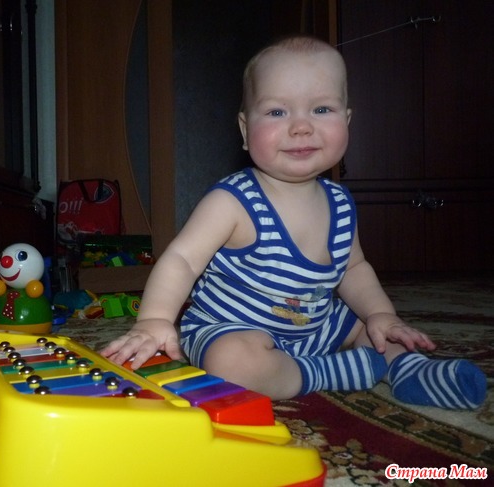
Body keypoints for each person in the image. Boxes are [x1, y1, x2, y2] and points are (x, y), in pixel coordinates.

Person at [101, 35, 486, 409]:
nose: (301, 126)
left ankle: (410, 370)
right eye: (277, 112)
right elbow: (182, 260)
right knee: (231, 364)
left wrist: (381, 315)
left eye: (321, 110)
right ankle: (325, 373)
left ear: (347, 120)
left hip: (317, 325)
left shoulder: (340, 203)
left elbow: (353, 268)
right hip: (235, 329)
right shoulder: (232, 201)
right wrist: (154, 320)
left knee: (380, 333)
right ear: (245, 130)